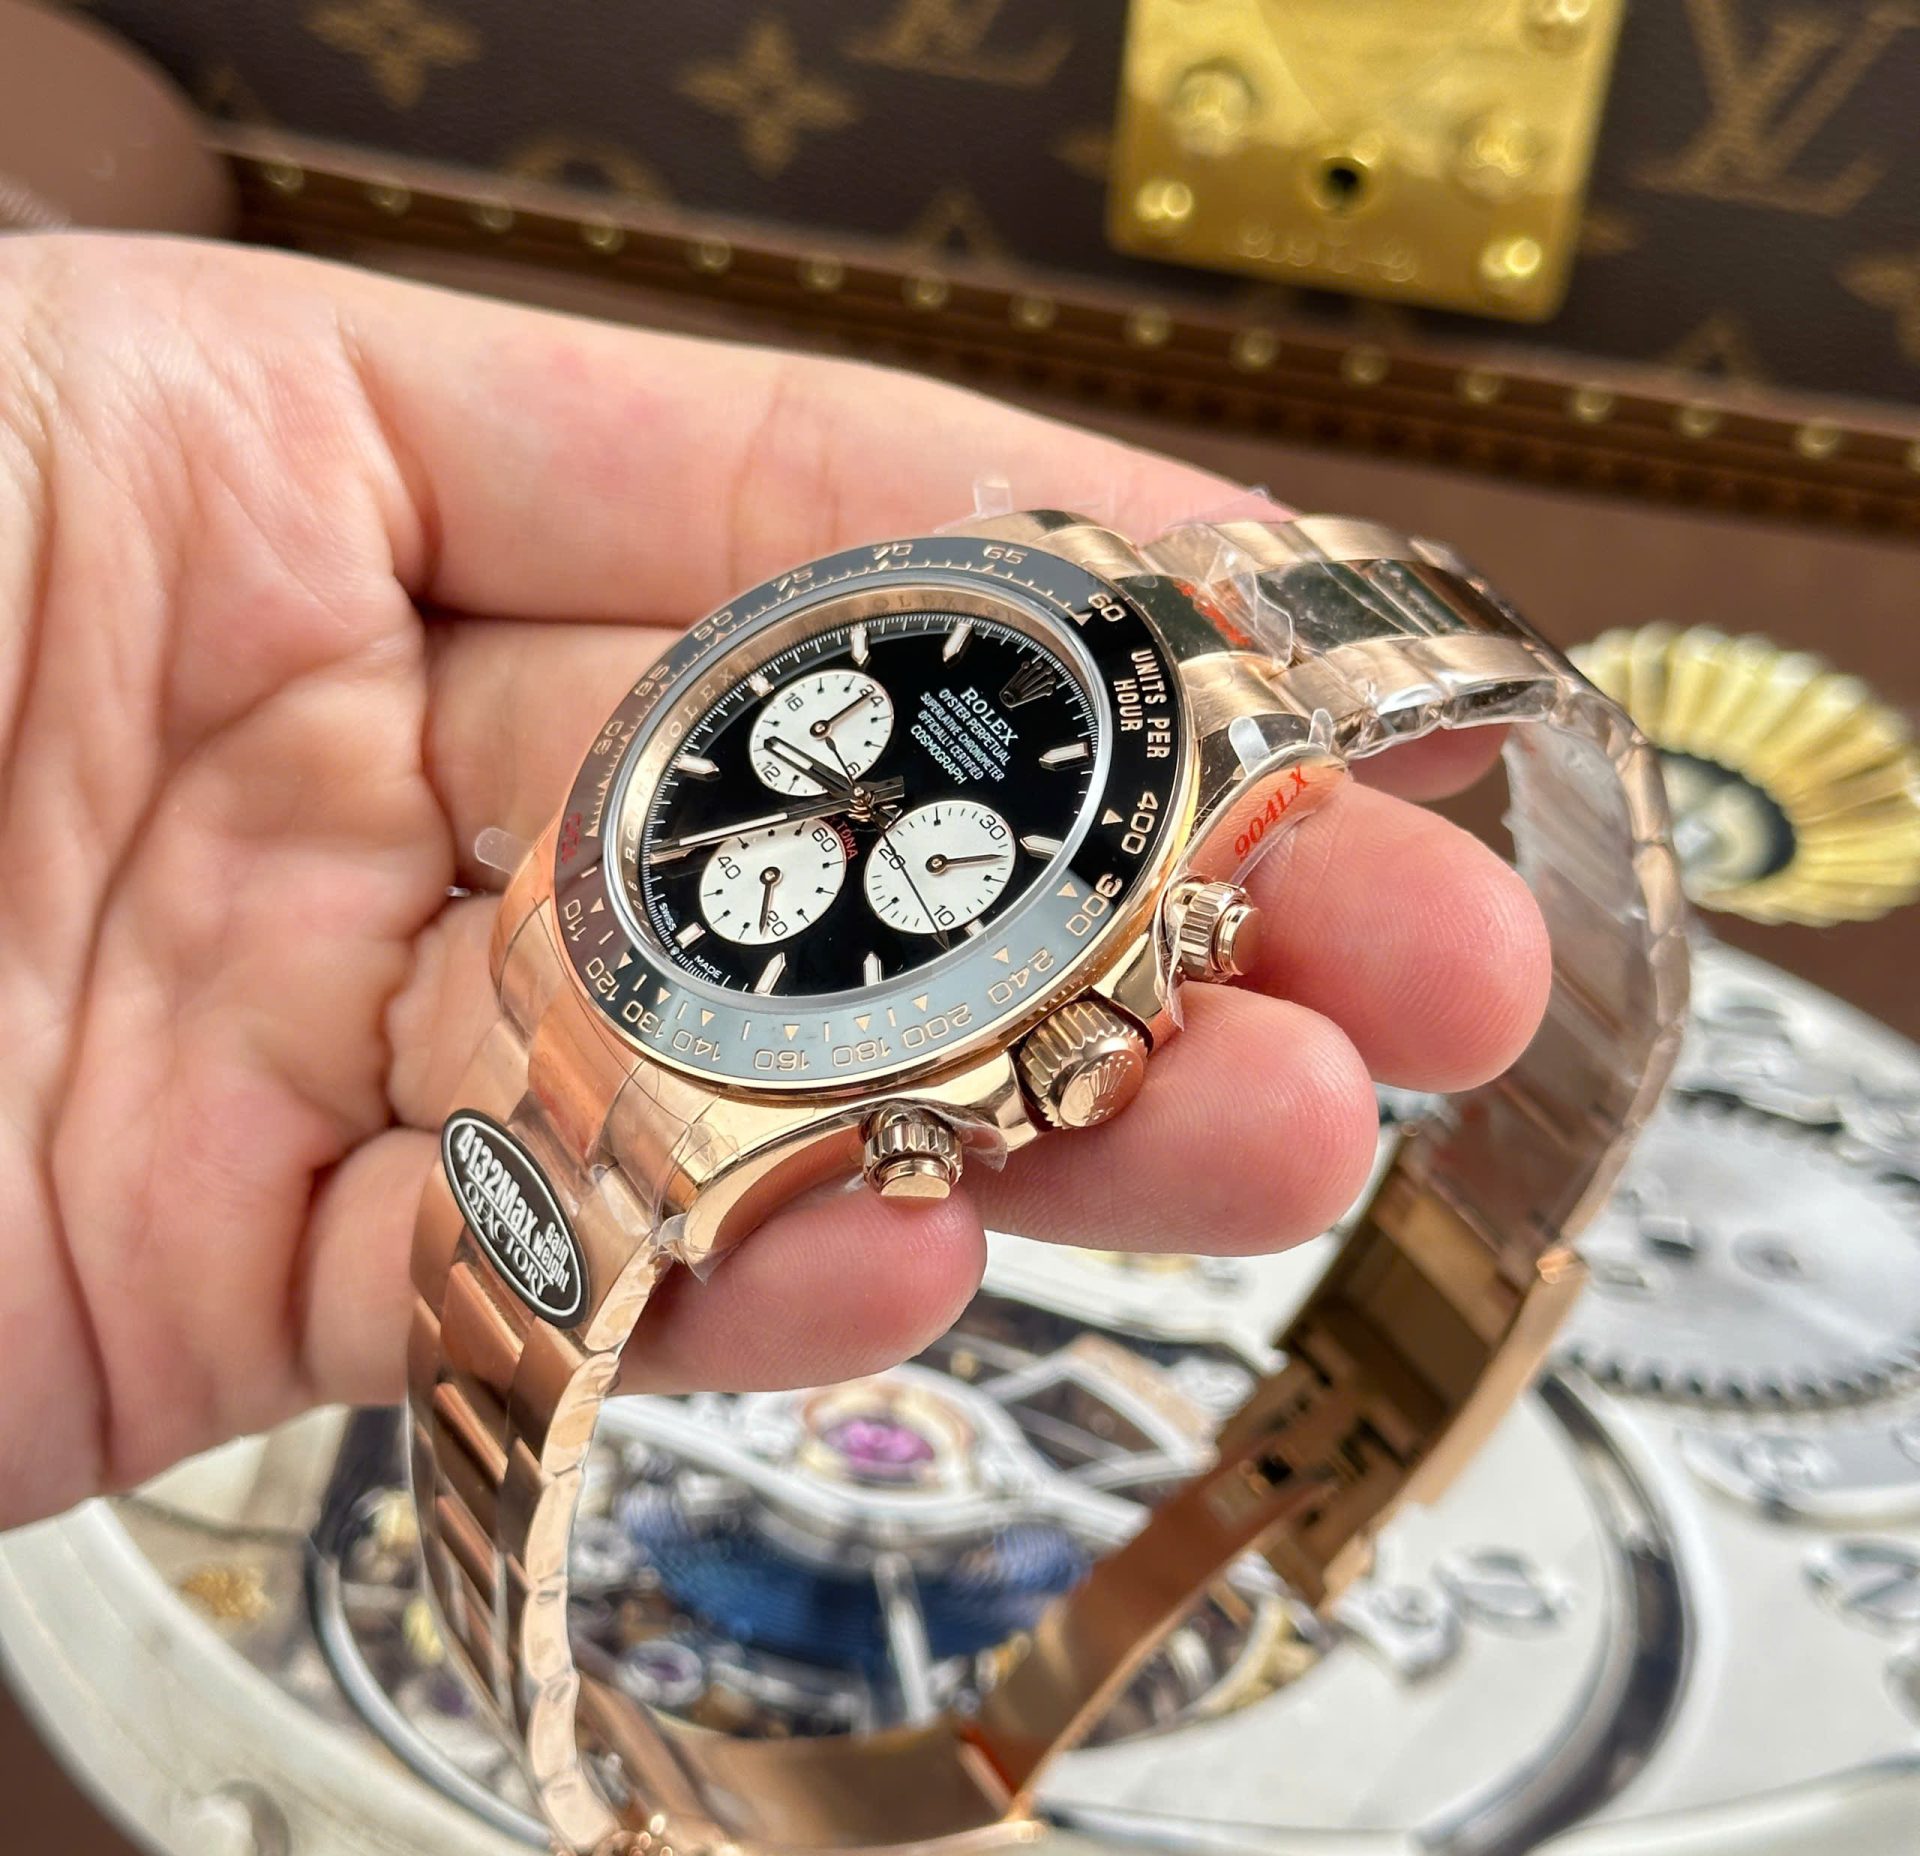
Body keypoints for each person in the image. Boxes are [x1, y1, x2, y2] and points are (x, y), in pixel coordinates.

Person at [0, 234, 1549, 1530]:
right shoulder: (570, 919)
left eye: (923, 834)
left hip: (748, 1021)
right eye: (856, 781)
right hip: (639, 972)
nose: (874, 808)